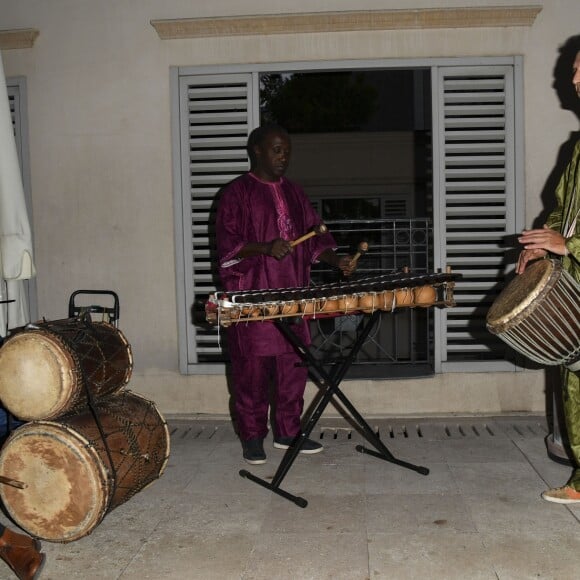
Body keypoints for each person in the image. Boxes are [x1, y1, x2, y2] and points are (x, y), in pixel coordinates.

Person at [216, 124, 357, 464]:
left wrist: (337, 260)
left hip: (293, 295)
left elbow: (313, 237)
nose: (284, 157)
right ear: (257, 150)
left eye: (287, 151)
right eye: (277, 150)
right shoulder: (236, 193)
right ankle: (252, 437)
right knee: (252, 372)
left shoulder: (295, 193)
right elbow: (227, 247)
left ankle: (288, 432)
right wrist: (264, 247)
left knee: (293, 367)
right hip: (254, 297)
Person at [516, 38, 580, 504]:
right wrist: (545, 245)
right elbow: (562, 211)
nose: (573, 80)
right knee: (574, 382)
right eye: (574, 70)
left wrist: (570, 244)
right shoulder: (578, 149)